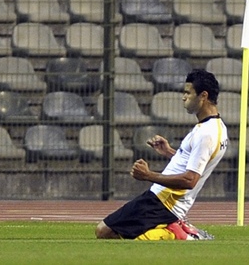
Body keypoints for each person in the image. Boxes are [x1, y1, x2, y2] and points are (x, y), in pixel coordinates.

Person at [95, 69, 229, 241]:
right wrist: (170, 153)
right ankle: (176, 227)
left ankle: (181, 234)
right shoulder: (216, 127)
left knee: (104, 231)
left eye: (188, 93)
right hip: (164, 199)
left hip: (165, 201)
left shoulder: (206, 134)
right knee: (115, 232)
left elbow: (190, 180)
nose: (183, 97)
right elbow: (193, 163)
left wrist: (148, 175)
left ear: (203, 96)